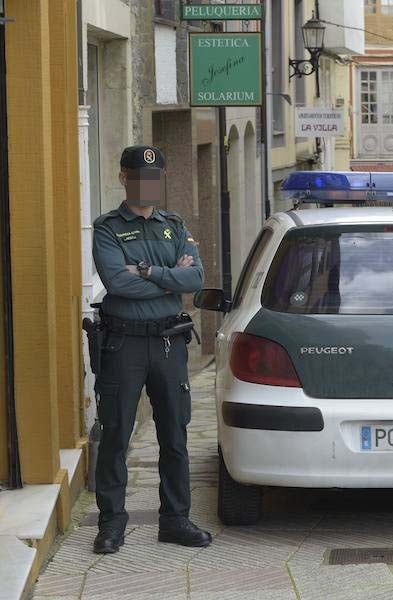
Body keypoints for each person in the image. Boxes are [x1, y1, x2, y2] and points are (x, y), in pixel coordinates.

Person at [91, 145, 211, 553]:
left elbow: (195, 278)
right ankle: (111, 523)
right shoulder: (107, 228)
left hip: (168, 342)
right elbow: (116, 283)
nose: (147, 184)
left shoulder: (173, 224)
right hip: (123, 344)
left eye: (154, 177)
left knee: (174, 435)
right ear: (124, 178)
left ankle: (175, 520)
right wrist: (168, 277)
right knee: (116, 434)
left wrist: (144, 270)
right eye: (138, 176)